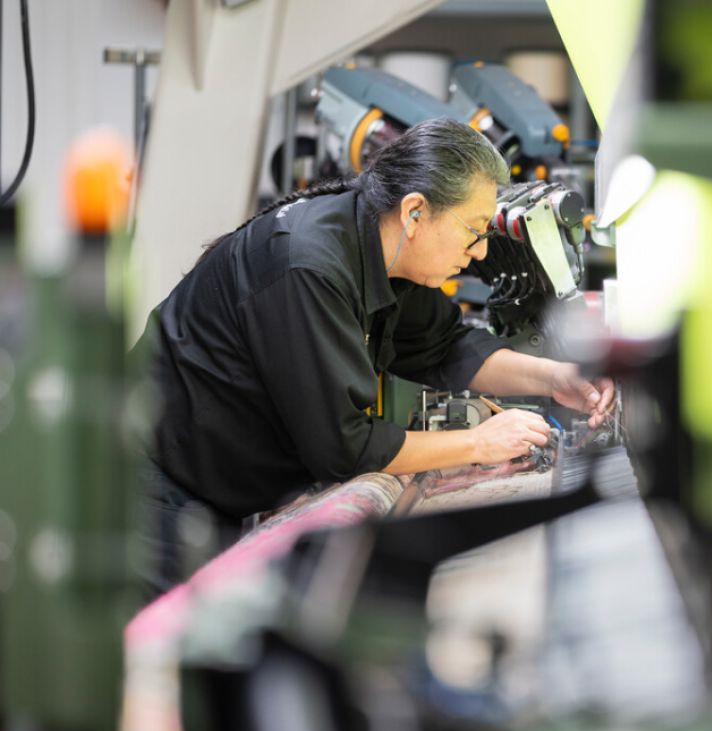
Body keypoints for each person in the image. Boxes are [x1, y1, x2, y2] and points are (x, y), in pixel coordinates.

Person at [131, 118, 614, 599]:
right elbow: (344, 447)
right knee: (153, 653)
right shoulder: (309, 265)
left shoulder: (385, 253)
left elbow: (447, 346)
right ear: (415, 213)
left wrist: (554, 378)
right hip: (147, 480)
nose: (480, 250)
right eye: (474, 231)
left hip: (210, 487)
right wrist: (478, 445)